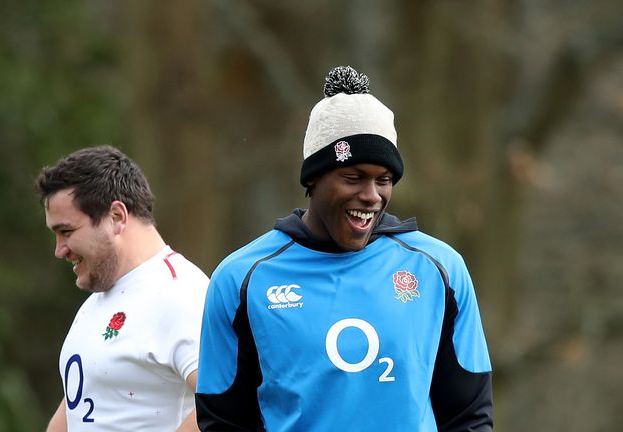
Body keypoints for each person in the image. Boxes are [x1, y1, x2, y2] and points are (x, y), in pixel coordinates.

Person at [195, 66, 493, 431]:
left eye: (383, 180)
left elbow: (469, 415)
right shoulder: (240, 279)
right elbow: (223, 420)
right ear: (313, 178)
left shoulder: (439, 269)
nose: (370, 196)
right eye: (353, 178)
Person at [35, 145, 208, 432]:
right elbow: (80, 408)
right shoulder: (98, 300)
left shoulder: (181, 294)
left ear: (116, 217)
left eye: (66, 232)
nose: (59, 250)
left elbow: (226, 407)